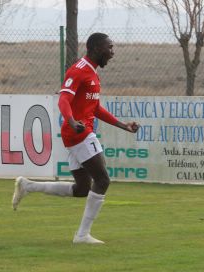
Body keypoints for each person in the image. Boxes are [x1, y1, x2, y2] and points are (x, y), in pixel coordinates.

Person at [12, 33, 139, 244]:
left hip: (77, 133)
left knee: (82, 189)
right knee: (103, 180)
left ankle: (27, 186)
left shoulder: (92, 73)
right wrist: (71, 121)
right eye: (110, 47)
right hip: (79, 133)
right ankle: (81, 235)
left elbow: (95, 108)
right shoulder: (79, 71)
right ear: (97, 48)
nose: (113, 52)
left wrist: (122, 125)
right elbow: (63, 99)